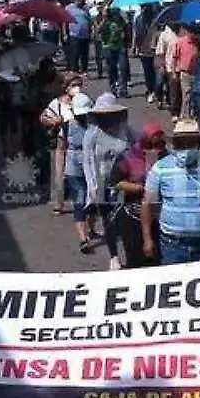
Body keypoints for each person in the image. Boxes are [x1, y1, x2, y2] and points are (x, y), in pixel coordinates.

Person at [141, 118, 200, 264]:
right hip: (172, 244)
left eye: (190, 143)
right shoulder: (160, 168)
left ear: (198, 143)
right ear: (175, 145)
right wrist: (147, 239)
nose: (186, 148)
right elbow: (147, 204)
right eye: (181, 143)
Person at [83, 93, 134, 269]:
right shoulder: (92, 133)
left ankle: (130, 253)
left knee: (125, 218)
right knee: (108, 220)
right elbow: (87, 160)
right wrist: (92, 184)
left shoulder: (125, 129)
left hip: (122, 181)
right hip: (101, 181)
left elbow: (136, 147)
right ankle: (114, 256)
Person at [109, 122, 165, 268]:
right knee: (136, 259)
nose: (157, 147)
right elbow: (115, 182)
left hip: (159, 217)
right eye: (153, 143)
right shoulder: (128, 156)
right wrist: (140, 188)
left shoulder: (165, 156)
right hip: (133, 216)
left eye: (160, 143)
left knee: (159, 260)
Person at [42, 74, 82, 215]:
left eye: (79, 84)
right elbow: (43, 117)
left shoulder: (84, 101)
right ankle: (58, 202)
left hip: (80, 143)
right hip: (62, 141)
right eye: (74, 85)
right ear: (66, 87)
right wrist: (54, 121)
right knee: (59, 172)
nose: (77, 88)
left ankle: (83, 200)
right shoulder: (57, 103)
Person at [64, 93, 95, 253]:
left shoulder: (95, 123)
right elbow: (61, 145)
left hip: (92, 166)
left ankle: (92, 229)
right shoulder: (67, 124)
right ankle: (83, 238)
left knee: (94, 200)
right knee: (79, 201)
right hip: (74, 166)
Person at [170, 24, 199, 120]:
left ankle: (193, 114)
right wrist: (174, 73)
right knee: (187, 95)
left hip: (196, 73)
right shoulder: (180, 42)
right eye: (192, 32)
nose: (193, 35)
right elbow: (174, 58)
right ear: (187, 32)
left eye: (195, 33)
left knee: (195, 96)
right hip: (185, 73)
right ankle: (186, 117)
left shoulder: (198, 43)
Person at [100, 8, 128, 98]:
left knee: (123, 67)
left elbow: (126, 30)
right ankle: (113, 87)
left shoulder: (122, 21)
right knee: (111, 69)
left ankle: (123, 89)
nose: (116, 16)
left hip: (120, 47)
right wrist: (104, 19)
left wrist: (125, 36)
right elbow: (98, 31)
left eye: (117, 13)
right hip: (108, 47)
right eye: (114, 14)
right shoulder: (107, 22)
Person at [134, 4, 159, 104]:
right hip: (144, 48)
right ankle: (151, 90)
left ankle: (154, 90)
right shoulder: (139, 19)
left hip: (154, 49)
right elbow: (136, 33)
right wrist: (135, 46)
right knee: (149, 71)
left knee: (153, 72)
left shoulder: (156, 18)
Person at [154, 21, 179, 110]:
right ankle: (159, 99)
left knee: (174, 89)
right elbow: (160, 51)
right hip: (167, 64)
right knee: (159, 83)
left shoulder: (183, 33)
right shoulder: (165, 34)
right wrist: (161, 65)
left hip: (179, 66)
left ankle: (173, 107)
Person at [64, 0, 91, 76]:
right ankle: (74, 70)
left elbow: (89, 21)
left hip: (85, 35)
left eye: (83, 0)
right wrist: (65, 33)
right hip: (74, 34)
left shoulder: (86, 9)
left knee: (84, 54)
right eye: (79, 0)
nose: (81, 1)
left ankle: (84, 70)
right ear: (76, 0)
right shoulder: (69, 8)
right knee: (75, 54)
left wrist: (90, 32)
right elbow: (65, 21)